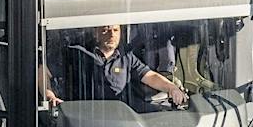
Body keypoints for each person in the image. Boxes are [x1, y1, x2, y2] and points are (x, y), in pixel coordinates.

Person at [43, 20, 188, 111]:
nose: (112, 35)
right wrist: (49, 94)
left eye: (115, 30)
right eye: (106, 30)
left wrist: (172, 88)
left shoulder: (126, 56)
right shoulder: (77, 53)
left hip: (122, 116)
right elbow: (42, 70)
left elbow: (149, 76)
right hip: (86, 119)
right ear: (96, 33)